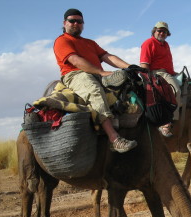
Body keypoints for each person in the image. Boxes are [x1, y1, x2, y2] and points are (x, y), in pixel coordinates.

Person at [53, 8, 137, 153]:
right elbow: (75, 60)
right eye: (72, 21)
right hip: (75, 75)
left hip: (98, 74)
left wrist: (130, 67)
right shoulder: (61, 41)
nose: (75, 24)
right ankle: (114, 139)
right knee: (94, 90)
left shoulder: (89, 42)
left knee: (130, 84)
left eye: (79, 21)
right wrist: (101, 72)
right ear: (64, 23)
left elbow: (107, 56)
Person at [140, 21, 181, 137]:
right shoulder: (149, 43)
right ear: (154, 31)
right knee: (175, 91)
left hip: (168, 72)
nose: (162, 33)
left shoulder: (166, 45)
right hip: (157, 73)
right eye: (159, 30)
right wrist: (150, 80)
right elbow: (144, 65)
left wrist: (174, 73)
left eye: (165, 31)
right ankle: (166, 123)